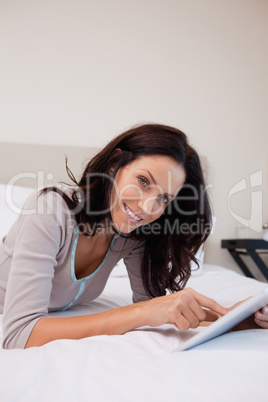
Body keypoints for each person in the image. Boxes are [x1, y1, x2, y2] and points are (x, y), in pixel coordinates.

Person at [0, 124, 266, 349]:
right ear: (115, 165)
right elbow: (19, 333)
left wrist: (235, 318)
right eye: (143, 181)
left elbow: (157, 308)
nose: (148, 208)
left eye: (163, 198)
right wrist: (138, 314)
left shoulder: (132, 233)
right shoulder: (50, 210)